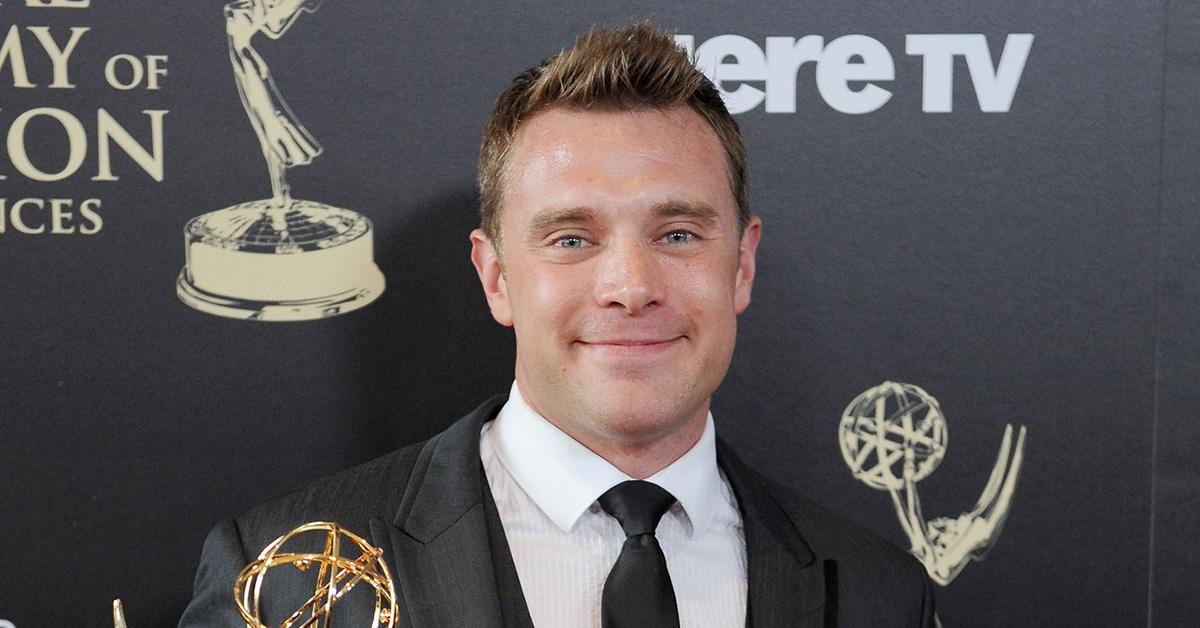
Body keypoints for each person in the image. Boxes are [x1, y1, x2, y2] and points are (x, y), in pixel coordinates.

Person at [180, 22, 936, 628]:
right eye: (572, 239)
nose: (631, 288)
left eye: (677, 234)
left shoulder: (881, 596)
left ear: (741, 266)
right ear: (497, 276)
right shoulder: (282, 579)